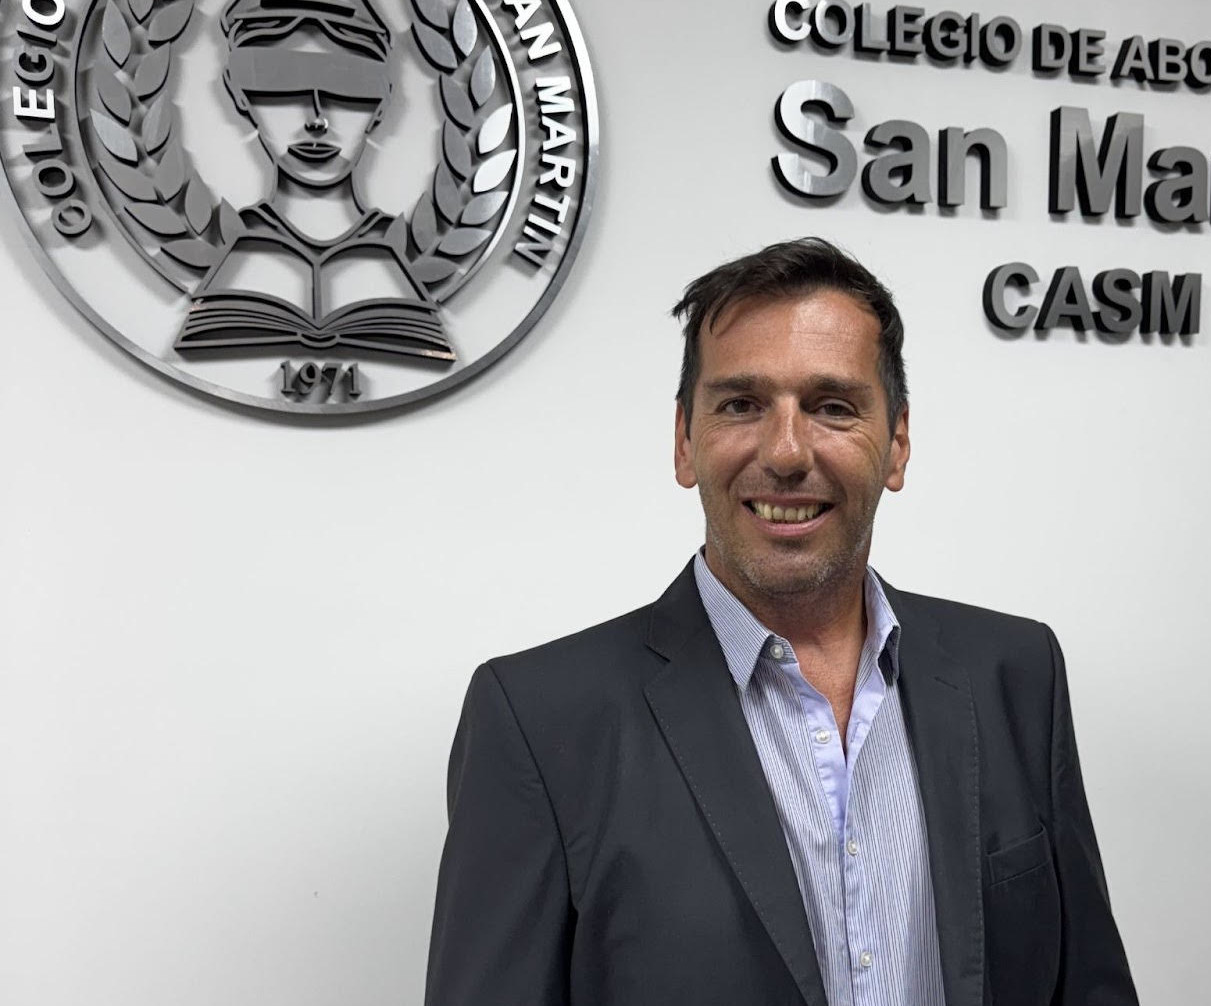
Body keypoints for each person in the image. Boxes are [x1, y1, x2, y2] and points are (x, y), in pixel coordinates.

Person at [424, 237, 1139, 1006]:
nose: (788, 452)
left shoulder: (1017, 674)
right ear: (684, 442)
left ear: (897, 443)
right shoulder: (539, 722)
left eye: (832, 407)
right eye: (741, 405)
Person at [174, 0, 453, 361]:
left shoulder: (390, 252)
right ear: (238, 93)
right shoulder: (240, 250)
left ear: (383, 101)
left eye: (348, 84)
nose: (317, 120)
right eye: (279, 81)